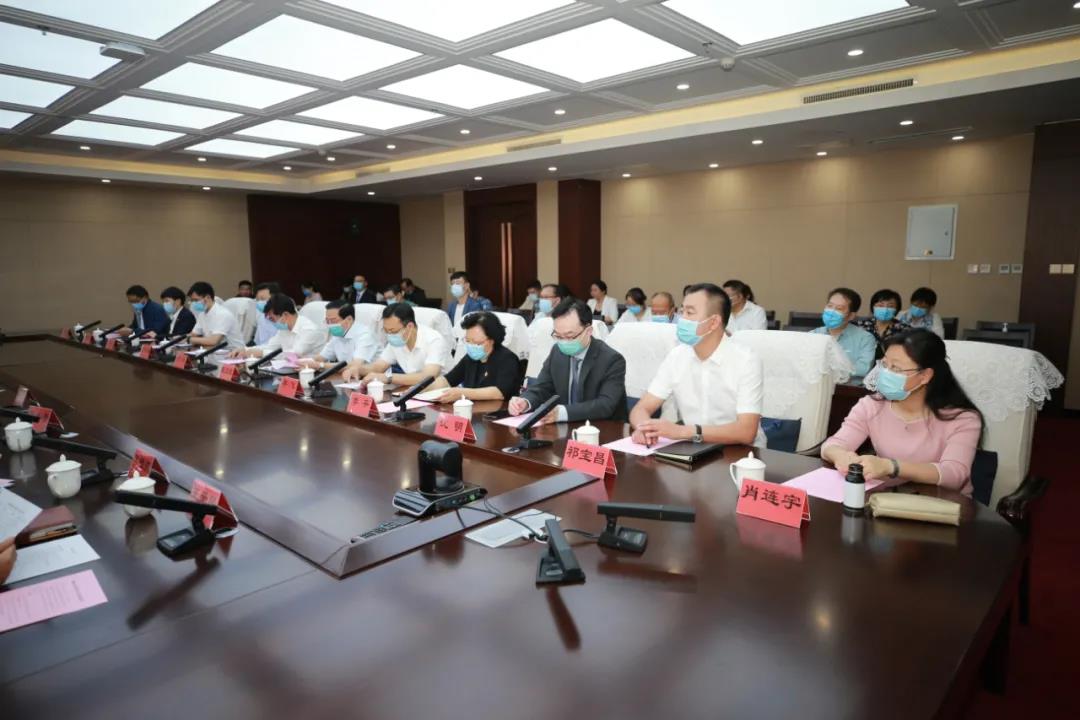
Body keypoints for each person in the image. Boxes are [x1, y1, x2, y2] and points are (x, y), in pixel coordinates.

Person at [821, 329, 983, 494]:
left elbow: (954, 475)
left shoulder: (962, 419)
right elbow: (833, 444)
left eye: (896, 368)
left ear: (925, 375)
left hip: (943, 502)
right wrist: (841, 456)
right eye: (885, 365)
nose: (886, 373)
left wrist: (891, 466)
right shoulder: (872, 405)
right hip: (887, 499)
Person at [630, 283, 766, 448]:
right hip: (694, 448)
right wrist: (645, 428)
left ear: (714, 322)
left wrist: (683, 431)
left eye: (689, 313)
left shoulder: (746, 360)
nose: (682, 319)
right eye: (682, 311)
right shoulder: (677, 356)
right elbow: (641, 409)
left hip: (741, 452)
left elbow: (746, 432)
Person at [509, 299, 627, 423]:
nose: (563, 342)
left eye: (569, 336)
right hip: (564, 427)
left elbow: (606, 405)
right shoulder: (557, 351)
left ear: (588, 331)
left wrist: (563, 413)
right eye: (558, 336)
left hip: (602, 427)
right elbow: (542, 387)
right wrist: (525, 402)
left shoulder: (611, 360)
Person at [343, 303, 450, 386]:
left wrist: (388, 378)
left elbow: (428, 377)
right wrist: (358, 369)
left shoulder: (434, 339)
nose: (389, 335)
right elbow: (378, 366)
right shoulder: (397, 339)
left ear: (410, 326)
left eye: (393, 331)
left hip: (440, 392)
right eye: (386, 331)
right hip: (411, 390)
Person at [428, 311, 521, 402]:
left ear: (491, 340)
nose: (471, 346)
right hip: (472, 408)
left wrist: (462, 393)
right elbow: (447, 380)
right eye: (468, 341)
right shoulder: (470, 357)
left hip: (499, 410)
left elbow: (499, 392)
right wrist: (423, 388)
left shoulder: (507, 359)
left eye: (476, 342)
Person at [231, 293, 326, 358]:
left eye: (272, 319)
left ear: (285, 315)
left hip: (312, 373)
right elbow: (270, 346)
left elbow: (294, 354)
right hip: (290, 370)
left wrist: (261, 353)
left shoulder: (309, 329)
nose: (272, 322)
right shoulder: (284, 329)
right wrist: (245, 350)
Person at [811, 288, 876, 377]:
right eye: (830, 306)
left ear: (851, 316)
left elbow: (863, 369)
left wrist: (830, 370)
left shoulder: (865, 339)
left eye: (839, 308)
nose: (832, 312)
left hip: (848, 385)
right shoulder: (813, 334)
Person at [301, 300, 377, 370]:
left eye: (333, 321)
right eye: (327, 321)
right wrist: (303, 362)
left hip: (369, 377)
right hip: (346, 375)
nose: (330, 325)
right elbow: (321, 357)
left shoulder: (365, 335)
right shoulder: (337, 334)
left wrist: (320, 365)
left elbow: (355, 365)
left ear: (349, 319)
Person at [187, 281, 245, 350]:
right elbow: (193, 334)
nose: (193, 303)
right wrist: (180, 338)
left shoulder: (223, 314)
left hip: (234, 353)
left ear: (208, 297)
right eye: (192, 301)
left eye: (196, 300)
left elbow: (213, 341)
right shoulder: (202, 314)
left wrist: (190, 339)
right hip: (213, 352)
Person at [252, 281, 281, 345]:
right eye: (258, 300)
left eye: (263, 299)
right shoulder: (260, 313)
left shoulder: (283, 315)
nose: (260, 303)